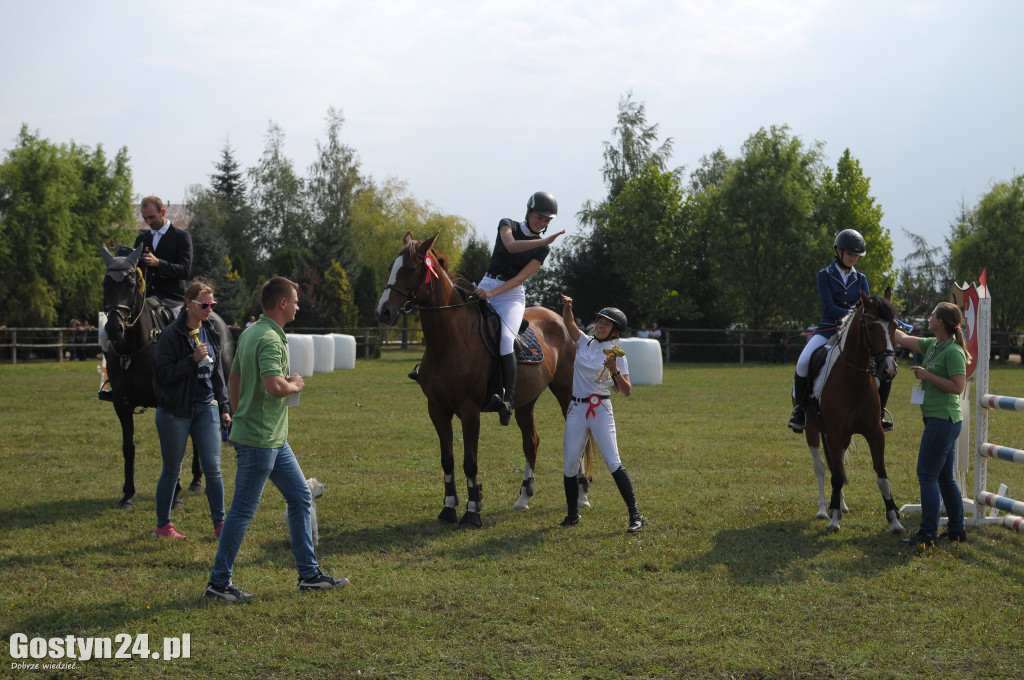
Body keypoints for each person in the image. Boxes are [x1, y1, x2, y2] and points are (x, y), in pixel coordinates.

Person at [205, 277, 347, 602]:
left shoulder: (252, 331)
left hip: (272, 438)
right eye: (295, 300)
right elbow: (273, 385)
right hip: (261, 440)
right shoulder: (269, 338)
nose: (298, 305)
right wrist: (294, 384)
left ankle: (309, 575)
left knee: (299, 497)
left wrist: (239, 414)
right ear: (282, 303)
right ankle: (218, 582)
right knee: (242, 511)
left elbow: (234, 377)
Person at [470, 191, 565, 426]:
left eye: (547, 221)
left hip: (510, 296)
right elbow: (511, 247)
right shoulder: (507, 225)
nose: (542, 223)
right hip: (486, 284)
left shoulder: (543, 251)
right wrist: (543, 239)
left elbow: (519, 278)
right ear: (529, 211)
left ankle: (508, 398)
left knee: (505, 339)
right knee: (456, 321)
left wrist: (493, 294)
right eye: (540, 217)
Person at [788, 229, 892, 432]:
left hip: (853, 335)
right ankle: (801, 410)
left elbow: (867, 306)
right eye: (850, 254)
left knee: (884, 365)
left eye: (856, 255)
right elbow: (829, 307)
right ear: (839, 251)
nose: (853, 258)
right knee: (803, 362)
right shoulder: (824, 275)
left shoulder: (861, 278)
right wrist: (854, 316)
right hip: (828, 330)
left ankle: (880, 412)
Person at [557, 295, 644, 533]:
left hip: (600, 410)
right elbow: (569, 325)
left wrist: (615, 371)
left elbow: (626, 391)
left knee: (613, 461)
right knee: (569, 464)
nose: (601, 325)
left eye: (606, 323)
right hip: (576, 409)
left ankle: (636, 515)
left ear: (615, 331)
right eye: (600, 321)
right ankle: (572, 515)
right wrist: (568, 307)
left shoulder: (616, 353)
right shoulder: (584, 342)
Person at [152, 279, 231, 539]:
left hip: (207, 406)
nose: (209, 308)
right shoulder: (170, 335)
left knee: (213, 468)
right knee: (172, 470)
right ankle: (163, 526)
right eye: (204, 304)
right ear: (188, 303)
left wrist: (225, 407)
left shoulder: (212, 331)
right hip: (175, 410)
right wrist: (191, 361)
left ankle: (221, 525)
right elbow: (163, 375)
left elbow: (218, 373)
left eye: (212, 304)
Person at [893, 302, 970, 547]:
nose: (930, 317)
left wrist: (928, 376)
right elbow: (903, 338)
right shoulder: (933, 344)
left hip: (943, 421)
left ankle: (927, 534)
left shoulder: (953, 351)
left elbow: (959, 387)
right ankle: (957, 529)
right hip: (939, 421)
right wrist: (887, 320)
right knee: (945, 477)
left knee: (927, 475)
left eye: (934, 314)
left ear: (941, 322)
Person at [98, 196, 193, 393]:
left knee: (182, 333)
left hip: (173, 298)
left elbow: (185, 270)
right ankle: (115, 379)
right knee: (103, 333)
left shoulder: (181, 237)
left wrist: (159, 264)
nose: (148, 222)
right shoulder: (142, 239)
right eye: (145, 218)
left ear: (162, 212)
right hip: (145, 299)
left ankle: (189, 377)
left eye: (152, 217)